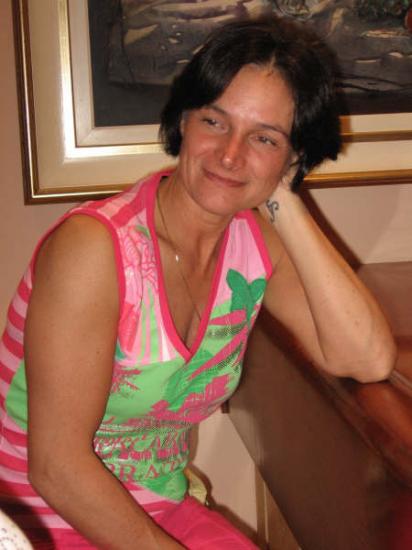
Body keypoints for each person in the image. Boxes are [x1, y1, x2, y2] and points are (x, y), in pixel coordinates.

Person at [0, 15, 396, 549]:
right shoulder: (94, 249)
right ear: (184, 119)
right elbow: (56, 467)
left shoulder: (253, 245)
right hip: (33, 520)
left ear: (294, 156)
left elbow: (367, 358)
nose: (231, 154)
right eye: (215, 120)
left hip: (158, 506)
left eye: (264, 138)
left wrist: (284, 200)